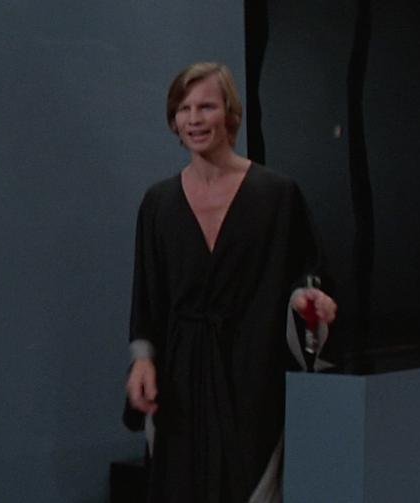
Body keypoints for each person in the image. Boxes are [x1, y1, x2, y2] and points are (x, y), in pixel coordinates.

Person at [123, 62, 337, 502]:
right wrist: (142, 362)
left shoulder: (276, 195)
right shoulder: (158, 203)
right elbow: (147, 296)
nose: (194, 119)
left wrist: (309, 303)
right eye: (184, 109)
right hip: (180, 382)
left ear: (231, 115)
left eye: (206, 107)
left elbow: (306, 276)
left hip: (252, 373)